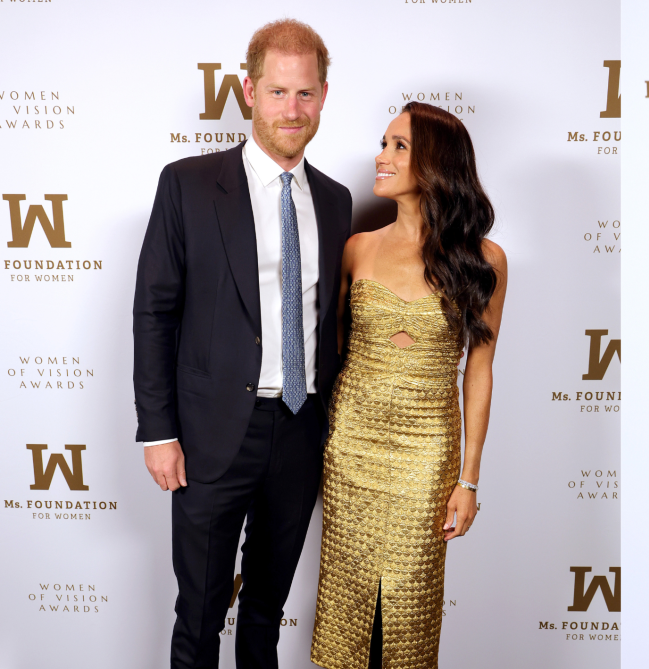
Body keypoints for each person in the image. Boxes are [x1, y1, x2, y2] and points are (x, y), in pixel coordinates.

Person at [133, 19, 351, 669]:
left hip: (302, 425)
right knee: (199, 614)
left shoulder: (337, 202)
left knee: (266, 615)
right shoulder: (188, 184)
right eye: (279, 92)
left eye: (305, 94)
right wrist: (158, 430)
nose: (292, 109)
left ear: (324, 95)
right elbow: (155, 310)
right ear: (249, 91)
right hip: (208, 433)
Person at [309, 101, 507, 669]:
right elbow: (333, 355)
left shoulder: (484, 260)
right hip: (351, 448)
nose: (381, 155)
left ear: (437, 164)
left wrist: (468, 480)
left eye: (399, 146)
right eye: (384, 142)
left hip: (427, 453)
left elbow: (481, 369)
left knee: (408, 617)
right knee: (347, 613)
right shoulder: (357, 247)